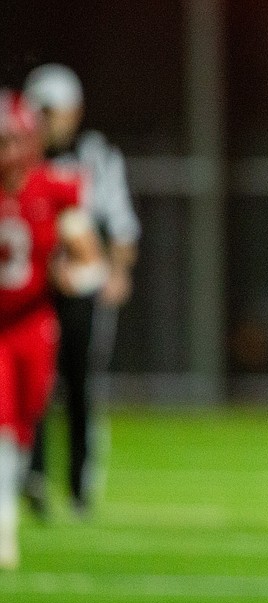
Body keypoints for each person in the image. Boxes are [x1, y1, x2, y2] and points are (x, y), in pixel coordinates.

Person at [21, 63, 141, 519]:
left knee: (80, 385)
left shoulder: (97, 158)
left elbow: (121, 226)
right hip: (32, 289)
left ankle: (78, 486)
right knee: (31, 383)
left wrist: (116, 272)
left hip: (81, 287)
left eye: (57, 111)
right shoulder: (18, 160)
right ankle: (28, 476)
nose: (51, 121)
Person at [1, 90, 104, 569]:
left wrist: (72, 276)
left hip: (32, 320)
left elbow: (91, 263)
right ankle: (4, 519)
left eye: (13, 140)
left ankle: (27, 490)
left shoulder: (54, 187)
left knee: (25, 424)